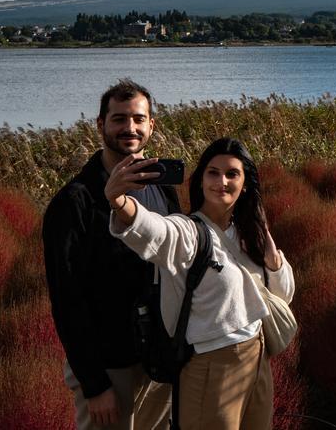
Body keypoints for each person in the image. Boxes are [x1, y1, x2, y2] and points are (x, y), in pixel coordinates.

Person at [106, 137, 292, 430]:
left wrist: (272, 259)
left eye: (232, 174)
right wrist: (121, 203)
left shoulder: (248, 232)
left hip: (257, 357)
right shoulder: (189, 232)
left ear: (245, 184)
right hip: (211, 365)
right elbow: (156, 232)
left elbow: (283, 296)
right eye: (213, 172)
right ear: (201, 180)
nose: (222, 181)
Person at [43, 79, 178, 430]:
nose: (129, 128)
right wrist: (94, 384)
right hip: (109, 364)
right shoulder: (75, 201)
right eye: (118, 119)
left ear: (152, 125)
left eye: (137, 118)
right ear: (100, 125)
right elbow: (66, 297)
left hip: (159, 356)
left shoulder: (162, 188)